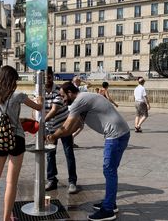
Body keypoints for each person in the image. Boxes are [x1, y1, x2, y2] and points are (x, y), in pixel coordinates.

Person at [46, 82, 130, 221]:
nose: (62, 99)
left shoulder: (79, 100)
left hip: (115, 136)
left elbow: (67, 126)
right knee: (110, 170)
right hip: (120, 133)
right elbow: (76, 125)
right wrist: (58, 135)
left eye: (62, 96)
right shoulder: (83, 100)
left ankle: (108, 210)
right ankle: (111, 203)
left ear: (70, 92)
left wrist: (53, 136)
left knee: (109, 170)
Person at [0, 66, 43, 221]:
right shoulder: (18, 95)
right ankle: (6, 218)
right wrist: (40, 100)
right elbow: (38, 107)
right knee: (11, 182)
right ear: (11, 80)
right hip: (17, 139)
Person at [44, 67, 78, 194]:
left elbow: (54, 110)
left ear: (53, 76)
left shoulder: (60, 90)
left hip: (64, 127)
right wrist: (36, 122)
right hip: (49, 128)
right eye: (45, 77)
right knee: (50, 154)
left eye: (49, 77)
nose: (47, 79)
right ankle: (52, 180)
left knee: (68, 153)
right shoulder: (39, 90)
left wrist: (40, 122)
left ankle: (72, 181)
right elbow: (36, 108)